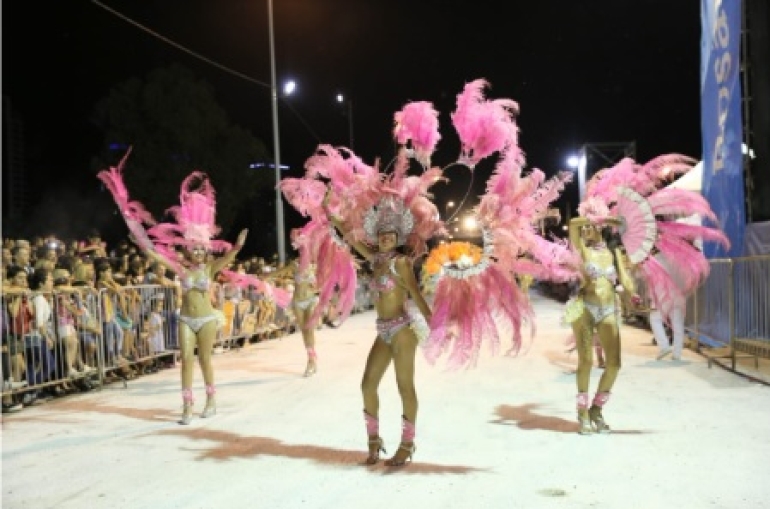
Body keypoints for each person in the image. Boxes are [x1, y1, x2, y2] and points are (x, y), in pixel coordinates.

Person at [99, 160, 247, 425]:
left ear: (206, 248)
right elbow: (157, 256)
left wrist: (238, 244)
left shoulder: (211, 268)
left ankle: (211, 400)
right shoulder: (181, 269)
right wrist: (141, 241)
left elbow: (231, 255)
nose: (199, 251)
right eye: (195, 248)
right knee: (186, 363)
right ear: (189, 248)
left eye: (202, 248)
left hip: (207, 319)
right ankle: (187, 407)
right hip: (186, 319)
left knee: (204, 360)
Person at [327, 194, 432, 466]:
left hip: (403, 330)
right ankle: (374, 441)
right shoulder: (374, 260)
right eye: (382, 233)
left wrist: (436, 323)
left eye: (391, 234)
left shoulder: (401, 263)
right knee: (367, 385)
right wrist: (331, 212)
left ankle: (407, 444)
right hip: (382, 330)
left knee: (404, 387)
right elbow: (350, 238)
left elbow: (416, 295)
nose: (385, 237)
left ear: (398, 237)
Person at [567, 216, 638, 435]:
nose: (586, 229)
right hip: (585, 309)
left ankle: (596, 409)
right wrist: (598, 216)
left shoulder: (614, 253)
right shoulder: (582, 250)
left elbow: (624, 279)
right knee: (586, 361)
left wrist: (631, 290)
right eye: (586, 227)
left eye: (590, 227)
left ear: (600, 229)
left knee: (614, 364)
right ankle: (582, 412)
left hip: (609, 309)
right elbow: (573, 224)